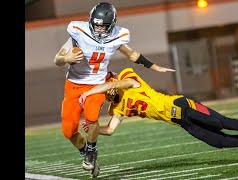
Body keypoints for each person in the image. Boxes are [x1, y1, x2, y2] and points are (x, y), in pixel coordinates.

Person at [53, 2, 175, 177]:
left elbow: (132, 54)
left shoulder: (119, 35)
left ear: (111, 25)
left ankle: (91, 151)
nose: (98, 29)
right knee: (68, 131)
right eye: (96, 25)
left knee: (91, 117)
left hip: (97, 84)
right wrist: (66, 58)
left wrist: (154, 66)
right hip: (73, 85)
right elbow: (57, 59)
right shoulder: (77, 32)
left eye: (103, 26)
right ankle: (86, 152)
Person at [79, 68, 238, 159]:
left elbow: (122, 82)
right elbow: (111, 129)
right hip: (180, 122)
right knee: (220, 142)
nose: (108, 91)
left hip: (181, 105)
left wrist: (93, 89)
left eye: (107, 86)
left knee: (222, 123)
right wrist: (95, 128)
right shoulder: (115, 108)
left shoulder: (127, 79)